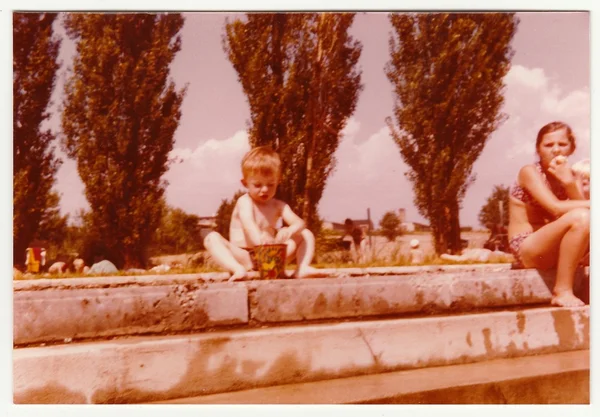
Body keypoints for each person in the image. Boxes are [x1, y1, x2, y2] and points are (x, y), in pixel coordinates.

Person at [204, 146, 317, 281]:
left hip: (271, 257)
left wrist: (290, 230)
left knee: (305, 233)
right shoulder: (245, 202)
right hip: (244, 256)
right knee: (212, 238)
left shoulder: (278, 205)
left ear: (278, 181)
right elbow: (249, 225)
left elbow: (300, 223)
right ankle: (237, 269)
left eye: (270, 185)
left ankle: (302, 268)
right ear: (245, 183)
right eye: (257, 185)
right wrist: (261, 240)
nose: (264, 190)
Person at [507, 121, 590, 307]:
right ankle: (562, 291)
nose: (556, 150)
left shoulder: (571, 176)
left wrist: (569, 183)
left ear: (571, 148)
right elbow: (555, 208)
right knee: (583, 217)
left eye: (562, 144)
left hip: (553, 246)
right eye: (548, 145)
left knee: (587, 218)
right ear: (538, 149)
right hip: (527, 246)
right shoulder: (529, 172)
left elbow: (582, 209)